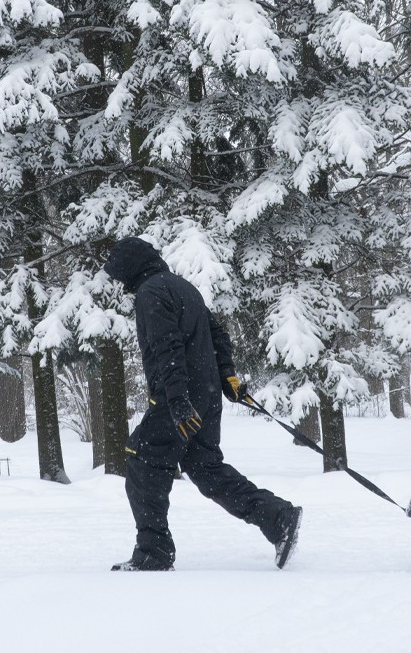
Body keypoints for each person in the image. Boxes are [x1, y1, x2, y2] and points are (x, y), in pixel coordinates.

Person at [103, 237, 303, 571]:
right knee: (205, 468)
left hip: (178, 399)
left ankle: (153, 552)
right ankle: (277, 517)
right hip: (206, 396)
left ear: (131, 267)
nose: (118, 280)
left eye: (118, 272)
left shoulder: (151, 292)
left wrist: (178, 400)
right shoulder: (184, 288)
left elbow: (168, 348)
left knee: (142, 460)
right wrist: (227, 377)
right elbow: (217, 334)